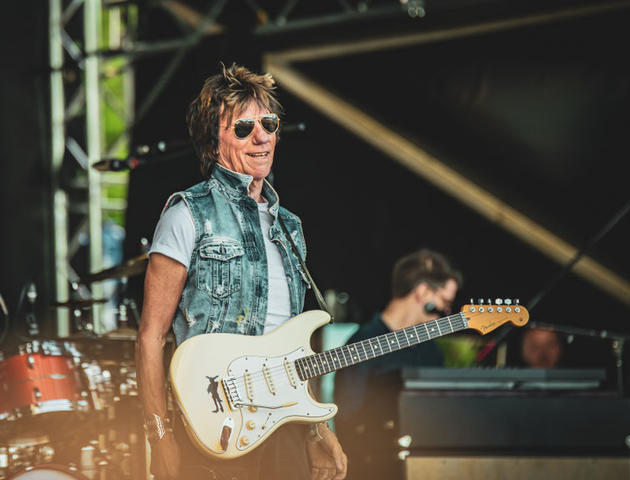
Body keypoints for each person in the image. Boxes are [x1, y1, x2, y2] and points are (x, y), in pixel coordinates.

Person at [135, 63, 347, 480]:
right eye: (244, 128)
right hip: (213, 426)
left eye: (268, 124)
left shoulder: (289, 226)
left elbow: (295, 349)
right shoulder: (187, 215)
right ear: (213, 144)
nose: (262, 136)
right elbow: (150, 336)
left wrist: (318, 430)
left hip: (282, 428)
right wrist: (159, 436)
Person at [333, 248, 462, 480]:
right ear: (423, 292)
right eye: (445, 302)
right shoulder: (362, 342)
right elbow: (346, 421)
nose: (446, 312)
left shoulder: (431, 351)